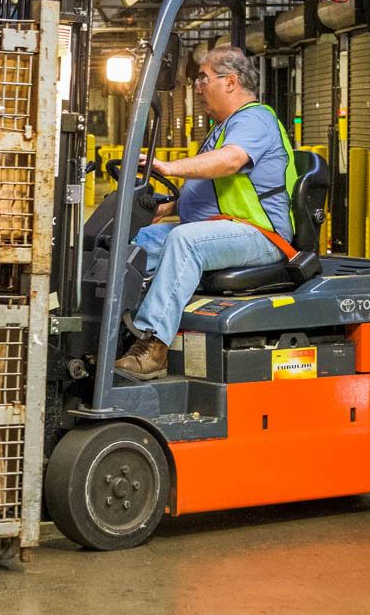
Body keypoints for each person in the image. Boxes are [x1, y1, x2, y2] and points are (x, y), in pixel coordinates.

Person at [115, 46, 298, 380]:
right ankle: (111, 334)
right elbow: (215, 187)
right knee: (130, 240)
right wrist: (169, 205)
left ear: (230, 82)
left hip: (259, 234)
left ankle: (152, 346)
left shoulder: (255, 118)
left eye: (203, 78)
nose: (197, 86)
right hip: (223, 228)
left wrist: (168, 167)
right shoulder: (224, 127)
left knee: (185, 241)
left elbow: (229, 162)